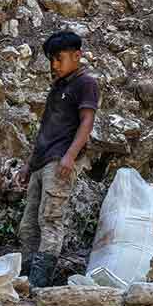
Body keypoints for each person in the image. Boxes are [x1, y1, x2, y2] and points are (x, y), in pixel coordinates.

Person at [21, 30, 100, 288]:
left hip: (59, 162)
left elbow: (86, 121)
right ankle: (25, 279)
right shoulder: (59, 87)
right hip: (42, 161)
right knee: (29, 224)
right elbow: (46, 129)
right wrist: (29, 165)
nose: (54, 65)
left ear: (77, 56)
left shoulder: (85, 83)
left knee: (50, 220)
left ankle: (38, 285)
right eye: (51, 60)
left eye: (59, 58)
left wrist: (70, 156)